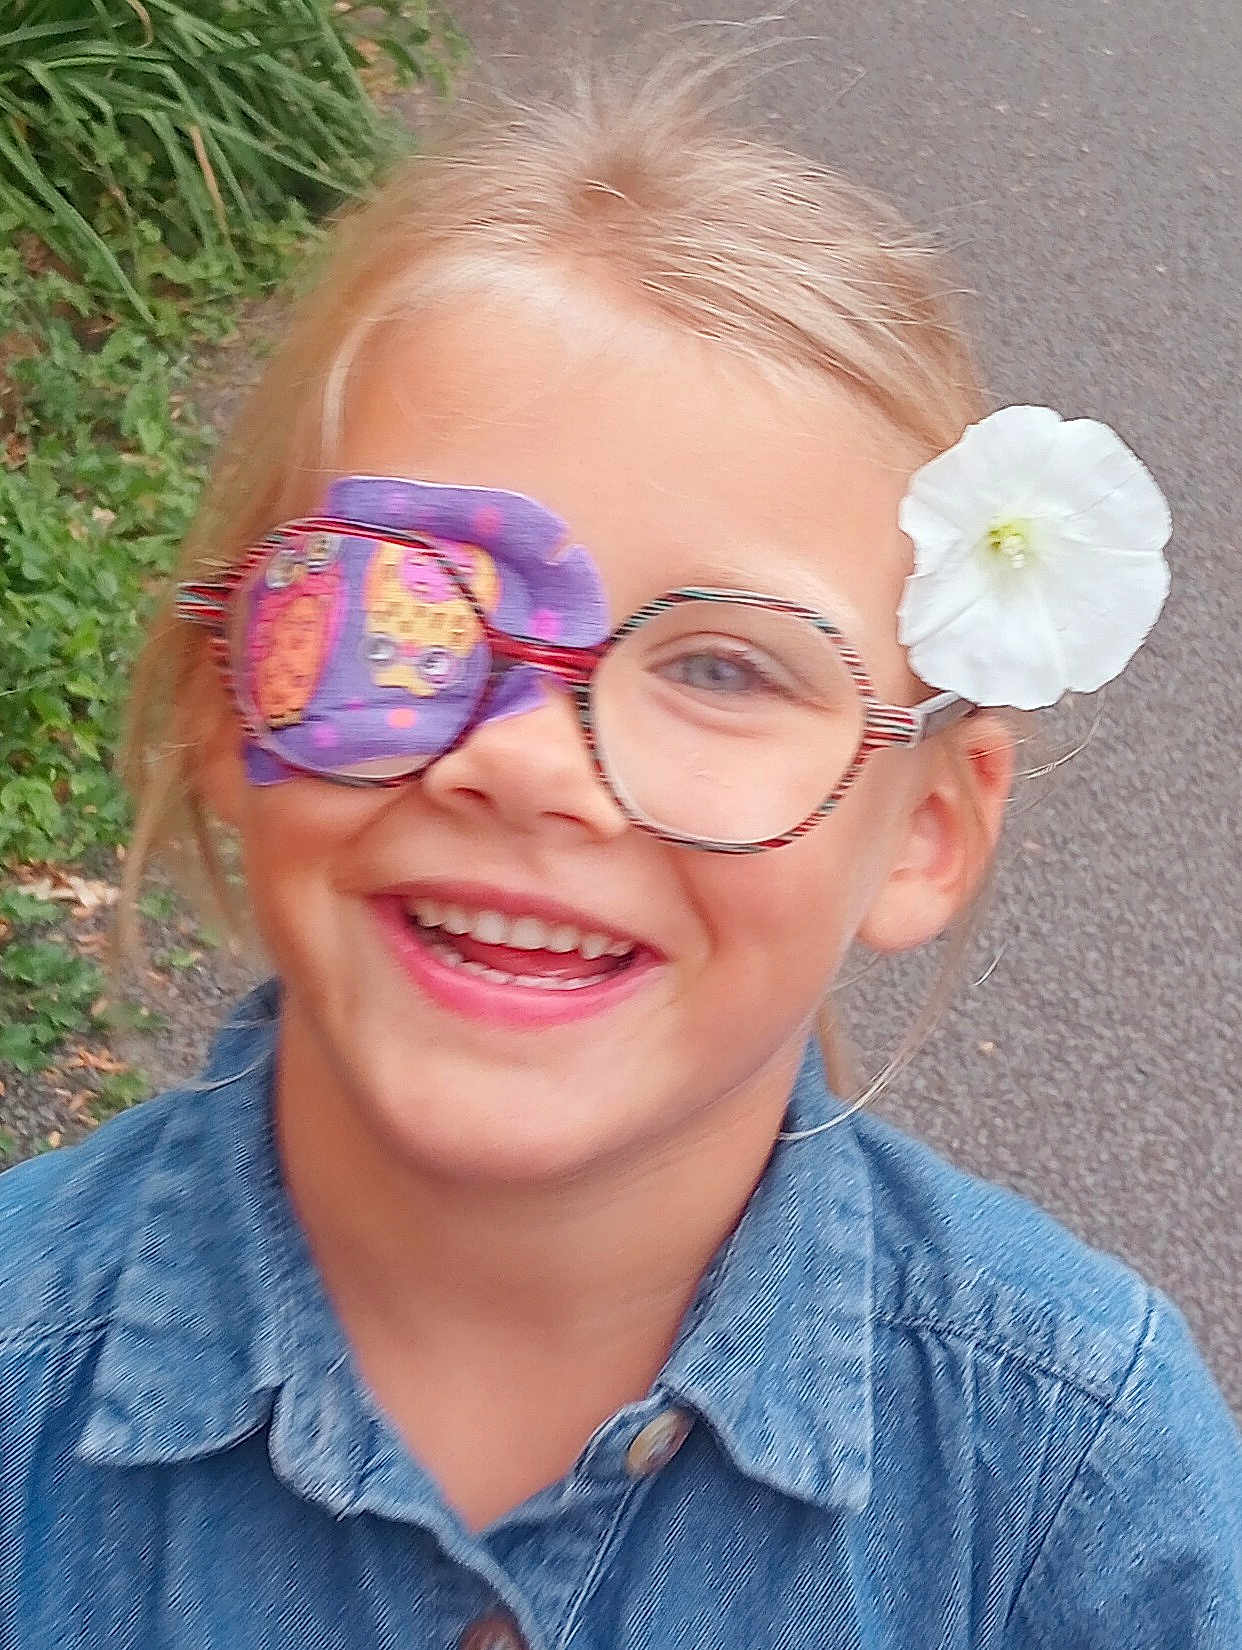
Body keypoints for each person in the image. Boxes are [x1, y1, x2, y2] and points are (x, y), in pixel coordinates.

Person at [1, 59, 1238, 1650]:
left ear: (925, 826)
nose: (524, 761)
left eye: (723, 666)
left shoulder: (1069, 1482)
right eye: (399, 606)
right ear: (217, 697)